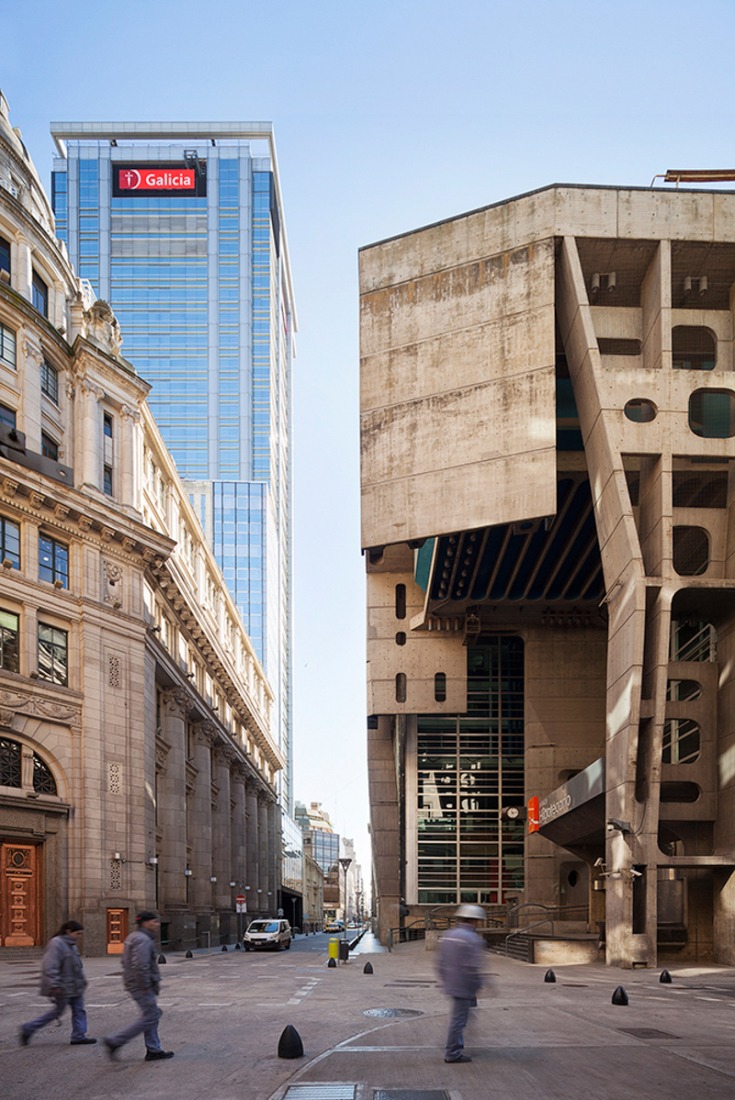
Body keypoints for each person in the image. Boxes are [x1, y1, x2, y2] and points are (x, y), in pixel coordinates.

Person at [103, 910, 174, 1061]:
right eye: (154, 921)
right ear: (145, 923)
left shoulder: (133, 937)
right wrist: (145, 984)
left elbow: (125, 961)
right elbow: (140, 965)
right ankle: (115, 1041)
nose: (157, 924)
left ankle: (153, 1049)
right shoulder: (143, 939)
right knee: (151, 1016)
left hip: (135, 982)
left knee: (151, 1015)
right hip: (141, 985)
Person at [20, 920, 96, 1046]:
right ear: (68, 931)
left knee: (79, 1010)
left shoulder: (72, 945)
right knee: (57, 1011)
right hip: (62, 986)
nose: (80, 937)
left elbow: (76, 965)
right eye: (78, 933)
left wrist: (82, 981)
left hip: (75, 985)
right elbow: (50, 966)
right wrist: (54, 984)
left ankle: (78, 1036)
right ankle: (28, 1028)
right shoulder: (56, 944)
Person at [436, 903, 486, 1063]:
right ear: (474, 920)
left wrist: (446, 980)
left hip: (452, 983)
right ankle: (452, 1052)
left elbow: (440, 963)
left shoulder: (448, 935)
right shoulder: (473, 939)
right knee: (458, 1020)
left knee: (460, 1018)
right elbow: (473, 966)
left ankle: (456, 1047)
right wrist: (477, 985)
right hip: (464, 985)